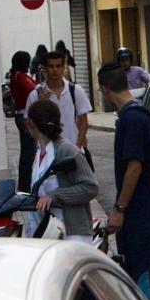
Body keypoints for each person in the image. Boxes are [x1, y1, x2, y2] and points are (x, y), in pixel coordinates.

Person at [99, 62, 150, 300]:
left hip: (140, 207)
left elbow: (134, 166)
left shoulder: (131, 119)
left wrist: (119, 208)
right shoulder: (138, 114)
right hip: (144, 205)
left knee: (145, 270)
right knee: (142, 267)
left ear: (105, 90)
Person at [27, 99, 98, 243]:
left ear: (30, 123)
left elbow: (90, 187)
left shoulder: (66, 150)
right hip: (48, 231)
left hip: (72, 232)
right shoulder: (40, 150)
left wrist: (54, 196)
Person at [24, 50, 93, 157]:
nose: (55, 70)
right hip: (48, 153)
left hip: (74, 148)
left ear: (63, 67)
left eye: (58, 66)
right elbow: (28, 125)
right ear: (45, 68)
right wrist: (39, 105)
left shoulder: (75, 90)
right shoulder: (35, 95)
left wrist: (77, 147)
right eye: (51, 66)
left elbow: (83, 122)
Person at [9, 51, 38, 192]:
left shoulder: (15, 75)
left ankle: (24, 186)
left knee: (27, 153)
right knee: (29, 153)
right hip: (25, 117)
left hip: (20, 115)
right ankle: (25, 187)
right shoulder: (20, 76)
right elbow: (33, 90)